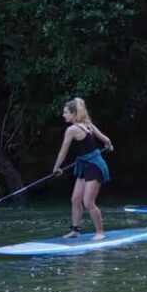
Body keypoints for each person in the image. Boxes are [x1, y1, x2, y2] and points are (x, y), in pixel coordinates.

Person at [52, 98, 113, 240]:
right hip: (84, 166)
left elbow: (63, 152)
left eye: (66, 112)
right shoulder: (88, 124)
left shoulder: (72, 129)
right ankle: (76, 231)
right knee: (75, 199)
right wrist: (109, 146)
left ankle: (100, 233)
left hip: (95, 166)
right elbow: (107, 140)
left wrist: (56, 168)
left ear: (73, 114)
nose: (63, 115)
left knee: (88, 202)